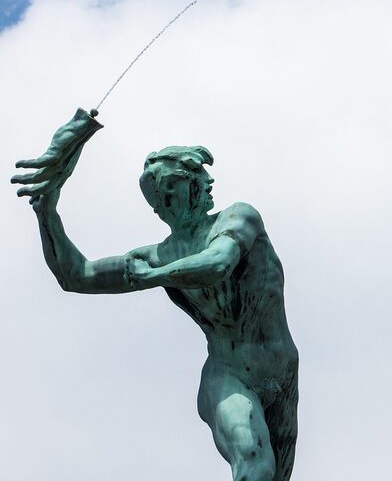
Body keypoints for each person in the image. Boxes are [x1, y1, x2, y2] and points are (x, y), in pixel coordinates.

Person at [12, 109, 299, 481]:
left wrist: (155, 277)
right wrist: (47, 210)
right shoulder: (156, 256)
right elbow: (76, 275)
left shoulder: (237, 218)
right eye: (165, 193)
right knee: (254, 463)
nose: (206, 182)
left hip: (281, 372)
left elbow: (217, 263)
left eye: (188, 180)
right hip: (228, 374)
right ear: (162, 201)